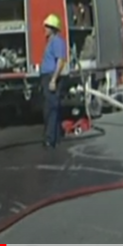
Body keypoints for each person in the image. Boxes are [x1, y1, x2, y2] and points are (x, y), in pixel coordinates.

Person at [41, 13, 68, 149]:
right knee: (51, 108)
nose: (44, 29)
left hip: (51, 77)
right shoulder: (51, 41)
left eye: (47, 26)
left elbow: (60, 61)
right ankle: (56, 137)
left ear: (53, 28)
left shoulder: (57, 41)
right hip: (47, 77)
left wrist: (53, 80)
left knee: (51, 109)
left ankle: (50, 139)